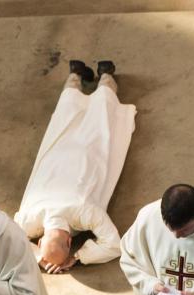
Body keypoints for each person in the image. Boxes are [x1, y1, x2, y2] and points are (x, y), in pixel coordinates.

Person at [15, 59, 136, 274]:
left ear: (70, 241)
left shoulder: (86, 213)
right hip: (59, 155)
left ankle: (106, 76)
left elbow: (114, 245)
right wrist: (39, 255)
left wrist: (78, 258)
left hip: (89, 155)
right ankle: (76, 75)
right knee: (65, 117)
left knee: (100, 121)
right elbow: (9, 237)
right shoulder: (29, 217)